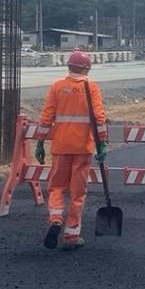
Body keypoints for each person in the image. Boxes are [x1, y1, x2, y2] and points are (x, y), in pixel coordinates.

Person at [35, 50, 109, 250]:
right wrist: (102, 142)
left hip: (60, 146)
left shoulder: (57, 87)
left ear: (69, 67)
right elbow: (99, 118)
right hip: (83, 147)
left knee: (57, 187)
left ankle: (55, 219)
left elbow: (46, 117)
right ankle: (71, 235)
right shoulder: (91, 87)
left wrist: (40, 142)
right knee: (77, 192)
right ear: (87, 68)